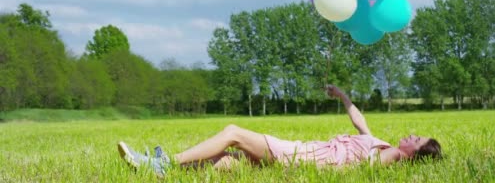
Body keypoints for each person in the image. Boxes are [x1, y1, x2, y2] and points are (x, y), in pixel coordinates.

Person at [117, 85, 441, 177]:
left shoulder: (392, 154)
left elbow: (362, 169)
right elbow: (360, 123)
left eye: (418, 140)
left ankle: (164, 162)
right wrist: (343, 97)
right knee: (230, 162)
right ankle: (159, 170)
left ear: (415, 154)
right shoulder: (381, 143)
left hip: (305, 157)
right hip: (306, 156)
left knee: (234, 132)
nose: (412, 136)